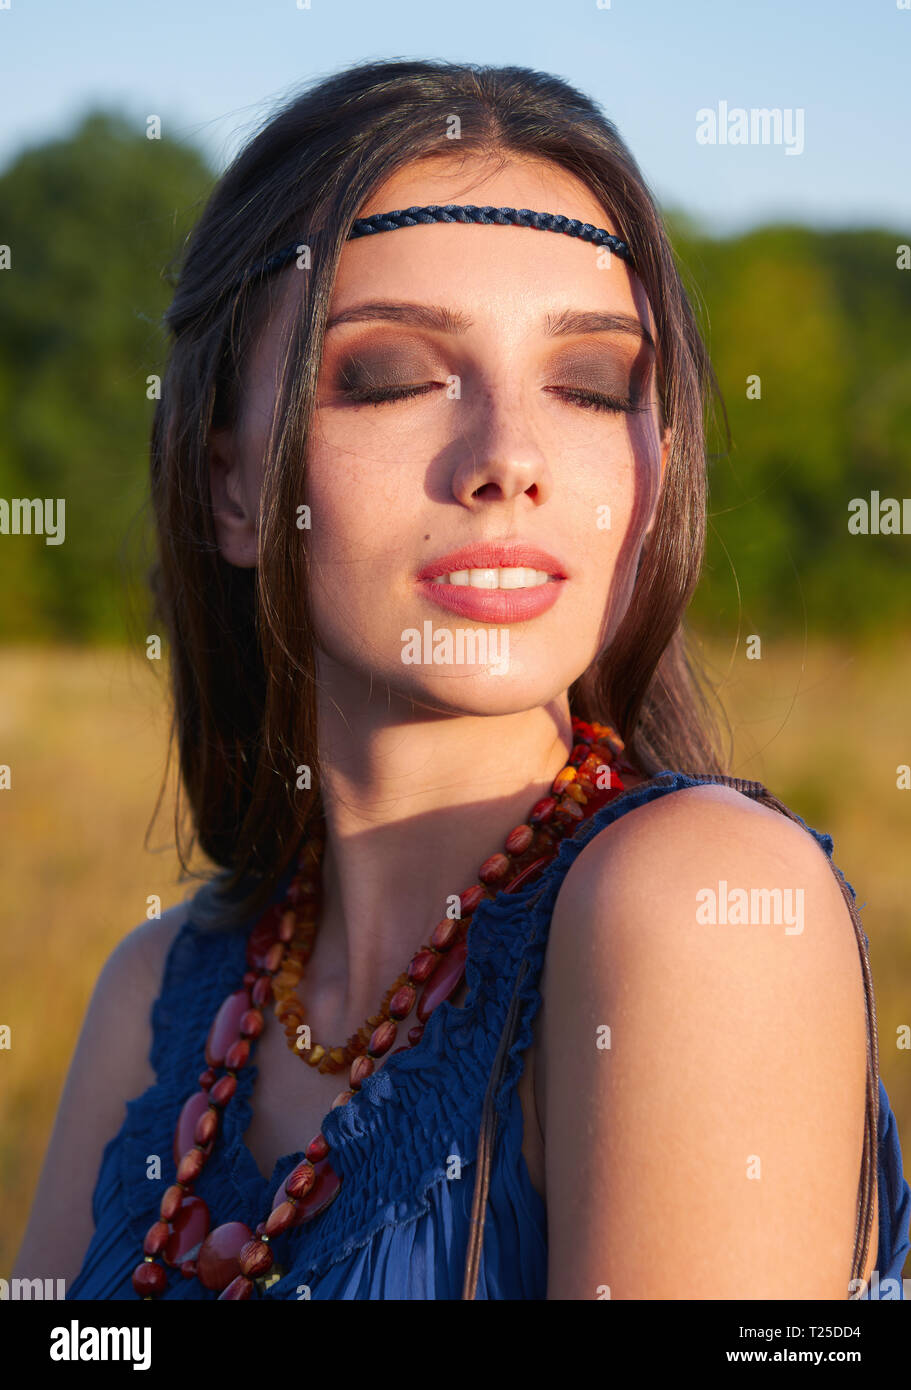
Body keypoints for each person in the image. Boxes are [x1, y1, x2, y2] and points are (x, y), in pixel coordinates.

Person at [14, 58, 910, 1300]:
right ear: (230, 483)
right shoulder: (164, 990)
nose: (509, 458)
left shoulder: (700, 907)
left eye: (591, 385)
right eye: (389, 375)